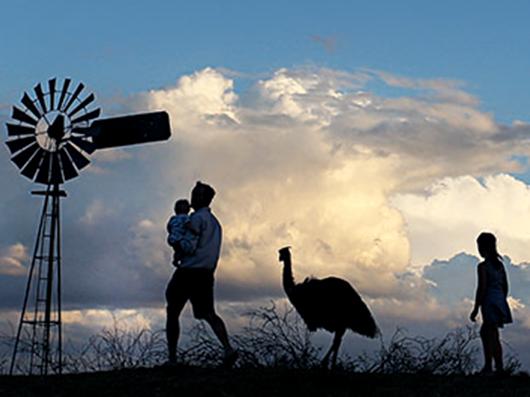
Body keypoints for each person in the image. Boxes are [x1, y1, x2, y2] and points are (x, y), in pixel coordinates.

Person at [165, 181, 237, 367]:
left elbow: (189, 245)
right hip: (206, 274)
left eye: (195, 194)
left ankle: (172, 359)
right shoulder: (215, 223)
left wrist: (175, 243)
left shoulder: (194, 220)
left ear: (202, 198)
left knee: (172, 312)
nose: (192, 198)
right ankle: (228, 349)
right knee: (209, 314)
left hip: (188, 272)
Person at [470, 232, 513, 374]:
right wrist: (501, 299)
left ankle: (490, 366)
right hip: (500, 300)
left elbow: (481, 287)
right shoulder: (499, 266)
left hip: (489, 301)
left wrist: (476, 308)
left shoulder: (483, 266)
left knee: (488, 332)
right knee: (491, 333)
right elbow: (506, 286)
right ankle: (497, 366)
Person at [166, 199, 199, 265]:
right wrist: (195, 231)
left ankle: (176, 260)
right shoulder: (185, 217)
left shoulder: (173, 218)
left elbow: (168, 227)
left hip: (173, 237)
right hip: (180, 238)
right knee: (182, 250)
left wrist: (171, 233)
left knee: (177, 250)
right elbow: (188, 225)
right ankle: (178, 259)